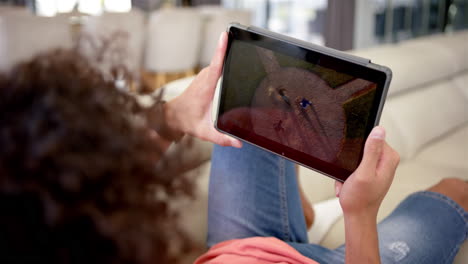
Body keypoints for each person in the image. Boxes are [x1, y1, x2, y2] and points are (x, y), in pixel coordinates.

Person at [0, 31, 466, 264]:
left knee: (248, 111)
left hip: (239, 245)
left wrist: (171, 118)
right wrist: (360, 215)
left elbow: (91, 178)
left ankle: (295, 216)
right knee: (454, 190)